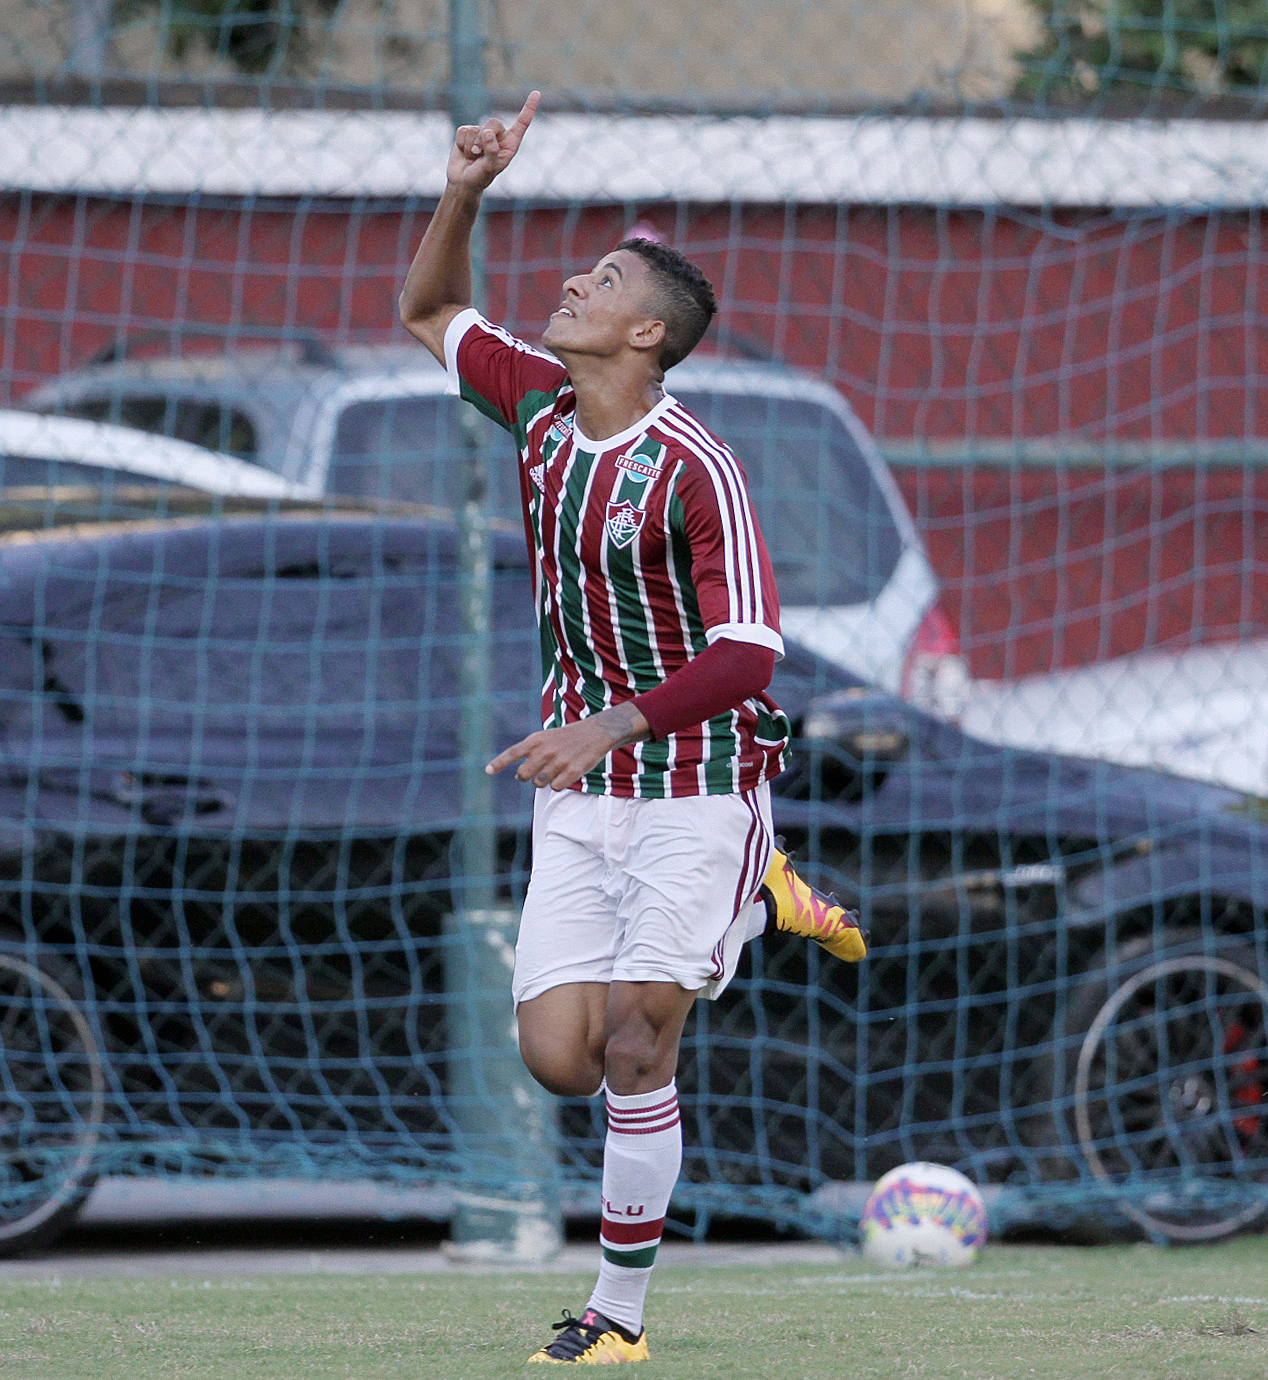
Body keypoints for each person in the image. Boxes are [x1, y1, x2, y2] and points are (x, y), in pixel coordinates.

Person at [399, 90, 867, 1366]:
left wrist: (611, 725)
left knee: (634, 1037)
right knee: (558, 1060)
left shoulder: (699, 468)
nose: (568, 284)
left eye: (599, 279)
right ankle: (765, 901)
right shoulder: (543, 413)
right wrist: (465, 192)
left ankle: (619, 1319)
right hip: (586, 790)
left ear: (647, 332)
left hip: (700, 775)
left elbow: (752, 651)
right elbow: (431, 312)